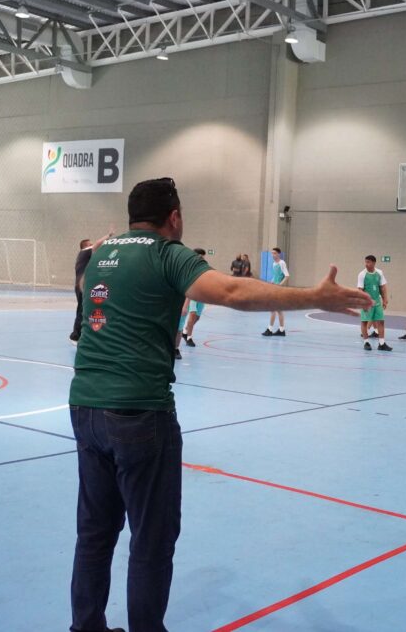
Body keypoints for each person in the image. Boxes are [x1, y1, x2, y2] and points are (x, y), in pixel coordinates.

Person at [68, 178, 371, 632]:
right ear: (174, 216)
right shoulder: (167, 253)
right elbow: (231, 292)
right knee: (151, 539)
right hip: (140, 412)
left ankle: (85, 626)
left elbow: (84, 294)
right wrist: (313, 297)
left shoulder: (97, 258)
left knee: (95, 532)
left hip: (85, 408)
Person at [70, 227, 113, 345]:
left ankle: (85, 334)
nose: (93, 244)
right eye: (90, 243)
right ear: (85, 246)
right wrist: (108, 235)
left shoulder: (86, 256)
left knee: (86, 310)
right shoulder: (85, 251)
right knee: (82, 310)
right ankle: (75, 336)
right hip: (82, 285)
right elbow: (98, 243)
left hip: (83, 285)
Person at [358, 255, 392, 351]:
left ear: (373, 263)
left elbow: (382, 287)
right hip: (366, 303)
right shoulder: (362, 274)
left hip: (377, 302)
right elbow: (360, 290)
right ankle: (366, 342)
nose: (366, 264)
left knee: (381, 321)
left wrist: (385, 299)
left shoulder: (379, 273)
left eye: (368, 262)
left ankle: (381, 343)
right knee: (364, 322)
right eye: (365, 262)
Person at [178, 248, 208, 351]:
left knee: (197, 317)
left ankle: (186, 331)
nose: (203, 258)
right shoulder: (189, 267)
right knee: (193, 314)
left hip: (202, 294)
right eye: (201, 256)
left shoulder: (204, 266)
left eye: (204, 257)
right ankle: (189, 337)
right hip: (192, 294)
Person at [262, 248, 290, 336]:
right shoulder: (274, 264)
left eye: (274, 253)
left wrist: (280, 285)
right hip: (274, 288)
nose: (272, 255)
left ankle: (270, 329)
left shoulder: (282, 263)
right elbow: (276, 276)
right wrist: (272, 281)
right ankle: (281, 330)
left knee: (273, 309)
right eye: (272, 253)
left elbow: (287, 276)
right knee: (279, 310)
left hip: (279, 290)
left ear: (278, 254)